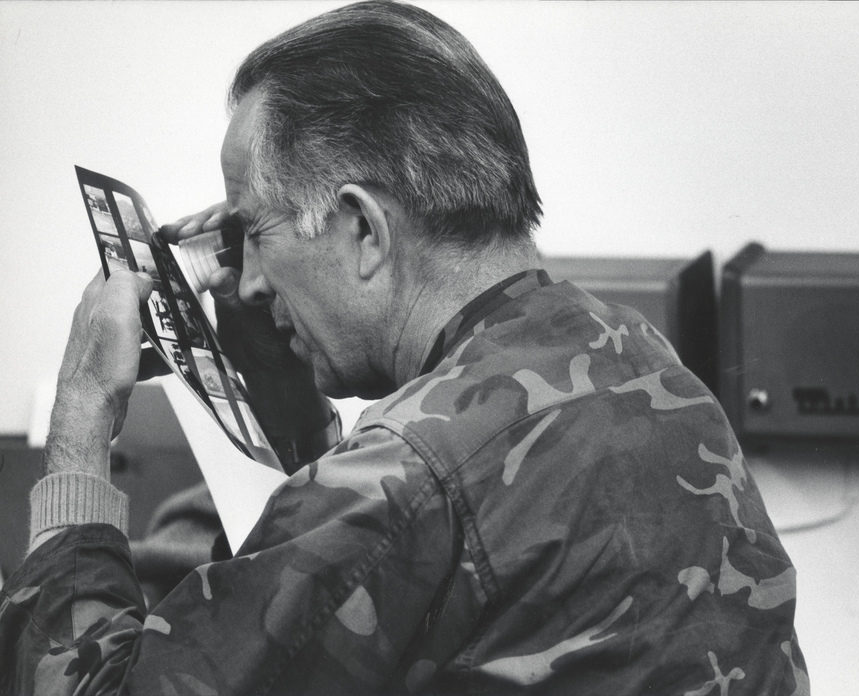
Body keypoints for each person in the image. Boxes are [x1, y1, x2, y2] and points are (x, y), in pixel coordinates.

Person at [0, 2, 809, 694]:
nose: (247, 281)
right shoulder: (633, 355)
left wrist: (82, 416)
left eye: (257, 231)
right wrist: (284, 392)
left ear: (362, 227)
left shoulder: (411, 475)